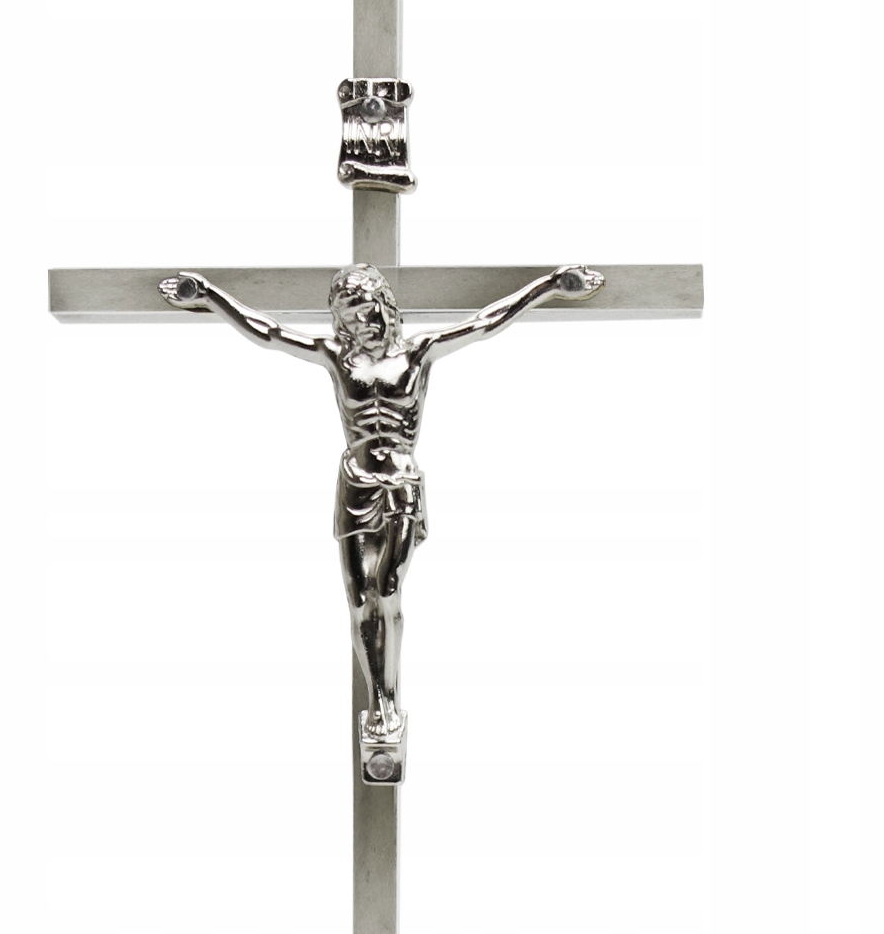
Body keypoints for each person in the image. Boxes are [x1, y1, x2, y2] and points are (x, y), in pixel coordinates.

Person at [159, 262, 604, 741]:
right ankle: (379, 701)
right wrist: (208, 295)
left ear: (385, 305)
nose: (360, 324)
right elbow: (268, 332)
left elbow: (485, 322)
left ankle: (386, 700)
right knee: (358, 600)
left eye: (365, 310)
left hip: (400, 486)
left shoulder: (419, 352)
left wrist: (549, 287)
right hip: (355, 484)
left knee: (388, 588)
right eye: (348, 318)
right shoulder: (337, 358)